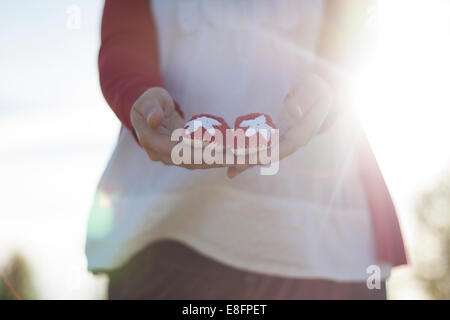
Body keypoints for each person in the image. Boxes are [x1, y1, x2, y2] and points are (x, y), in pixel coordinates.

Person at [86, 0, 407, 299]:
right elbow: (124, 36)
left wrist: (328, 85)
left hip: (326, 236)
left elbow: (354, 23)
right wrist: (137, 94)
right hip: (168, 227)